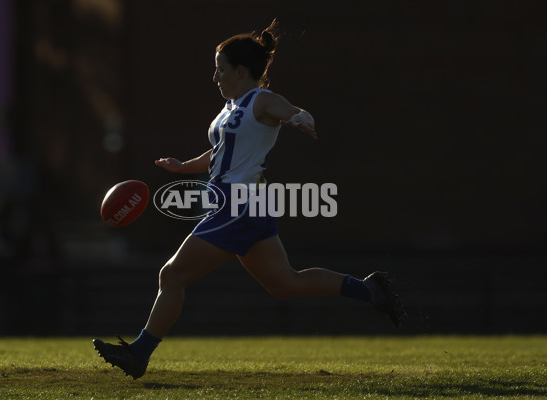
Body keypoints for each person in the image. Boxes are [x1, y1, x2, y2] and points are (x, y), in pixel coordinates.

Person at [93, 20, 406, 380]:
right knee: (285, 283)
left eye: (220, 69)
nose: (215, 77)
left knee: (172, 274)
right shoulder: (231, 107)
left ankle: (139, 353)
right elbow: (219, 151)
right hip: (245, 203)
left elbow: (291, 111)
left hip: (238, 202)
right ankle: (369, 290)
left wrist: (302, 118)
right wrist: (184, 166)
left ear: (240, 71)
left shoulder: (260, 100)